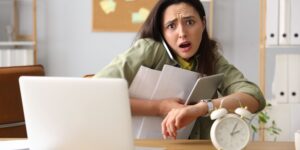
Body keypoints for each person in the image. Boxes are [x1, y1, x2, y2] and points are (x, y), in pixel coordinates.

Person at [93, 0, 266, 139]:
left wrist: (202, 108)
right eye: (171, 26)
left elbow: (253, 96)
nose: (182, 33)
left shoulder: (211, 58)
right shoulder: (148, 49)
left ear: (203, 23)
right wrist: (159, 107)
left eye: (190, 22)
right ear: (162, 32)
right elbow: (97, 93)